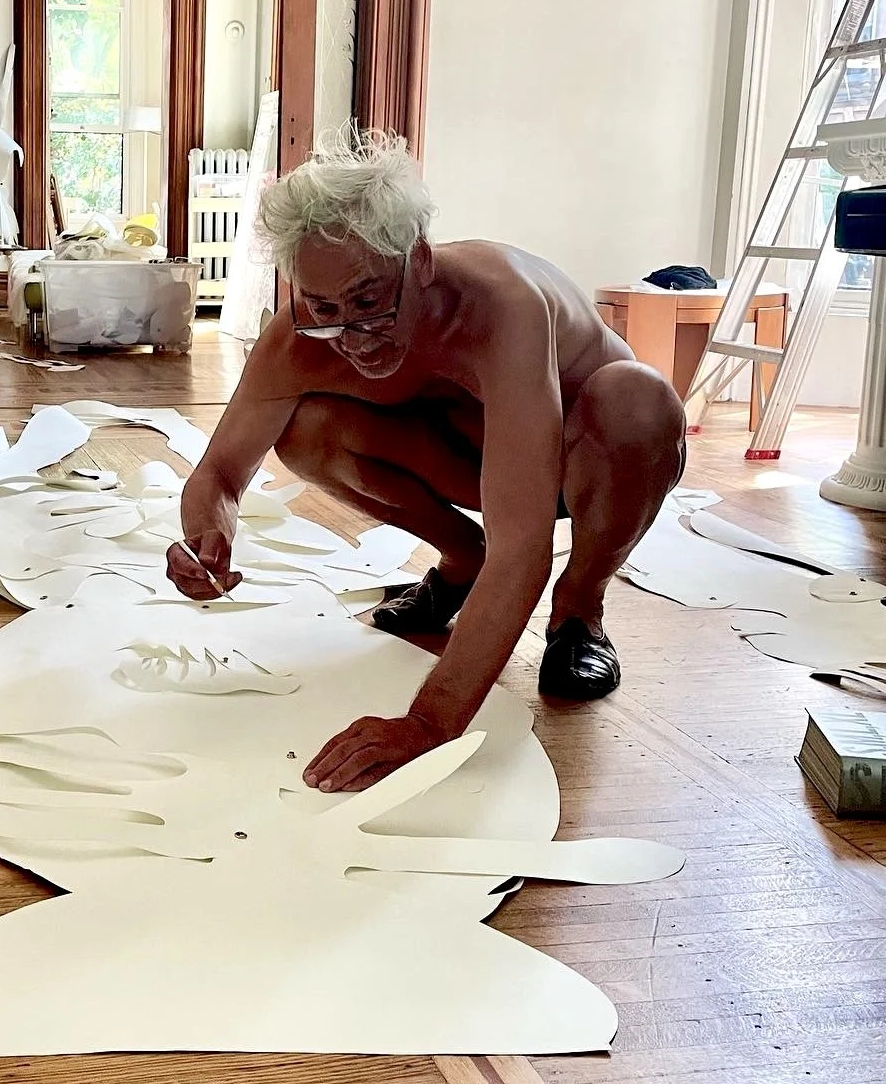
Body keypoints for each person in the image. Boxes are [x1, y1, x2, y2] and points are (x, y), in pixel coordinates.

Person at [165, 134, 686, 794]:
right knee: (306, 429)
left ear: (420, 261)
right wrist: (206, 535)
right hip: (469, 458)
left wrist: (430, 724)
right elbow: (218, 475)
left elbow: (522, 542)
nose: (352, 336)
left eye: (368, 302)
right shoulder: (303, 329)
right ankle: (457, 561)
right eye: (325, 309)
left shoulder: (502, 306)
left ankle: (580, 608)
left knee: (638, 401)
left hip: (580, 463)